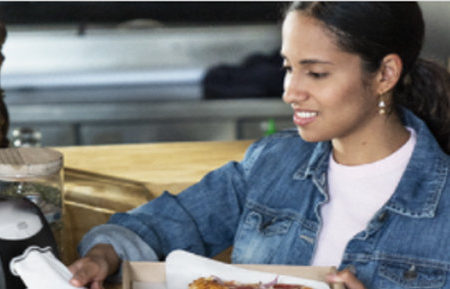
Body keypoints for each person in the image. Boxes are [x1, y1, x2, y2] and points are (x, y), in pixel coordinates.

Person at [68, 2, 450, 289]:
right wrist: (104, 255)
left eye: (316, 73)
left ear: (385, 74)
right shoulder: (271, 163)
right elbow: (166, 221)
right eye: (288, 67)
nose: (290, 92)